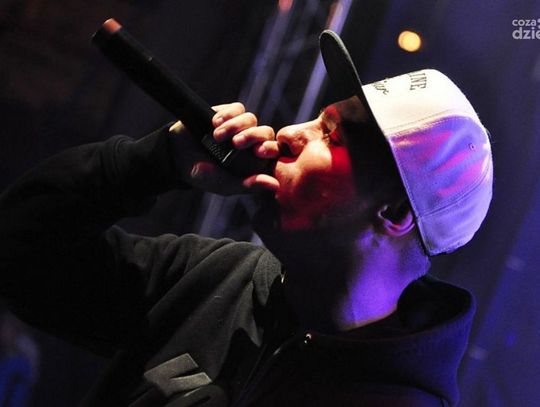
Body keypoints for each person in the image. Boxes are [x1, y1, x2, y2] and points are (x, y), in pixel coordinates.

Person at [0, 30, 492, 406]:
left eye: (329, 134)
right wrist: (155, 162)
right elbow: (18, 253)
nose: (290, 133)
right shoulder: (214, 277)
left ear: (396, 213)